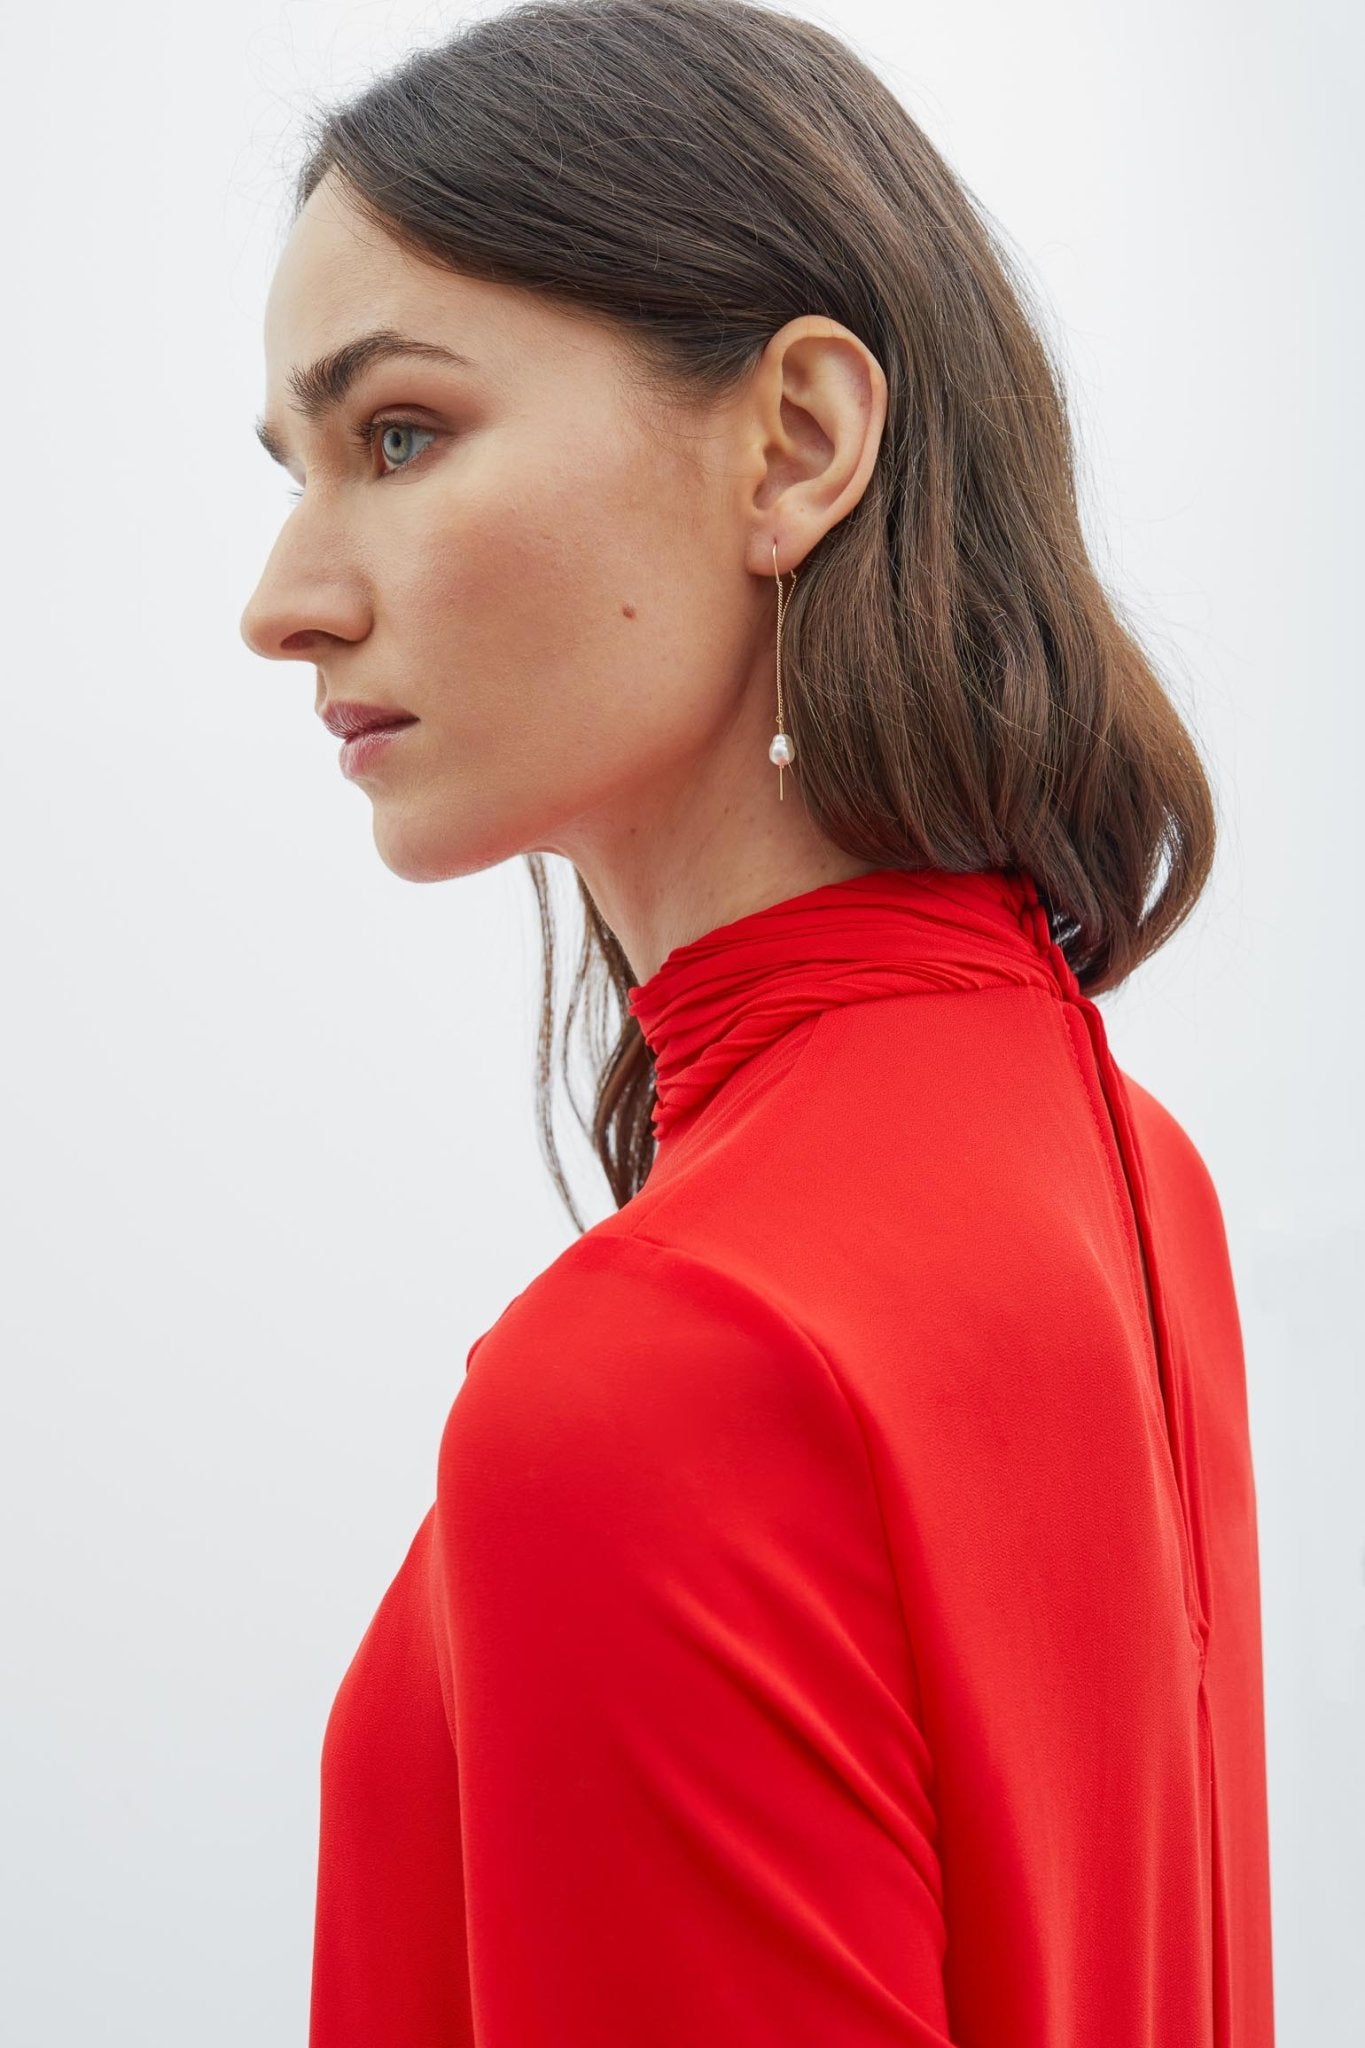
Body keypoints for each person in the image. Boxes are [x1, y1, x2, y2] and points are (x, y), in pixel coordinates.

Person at [237, 2, 1274, 2042]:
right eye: (295, 472)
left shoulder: (670, 1365)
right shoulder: (1125, 1168)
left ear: (794, 441)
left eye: (401, 436)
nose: (283, 600)